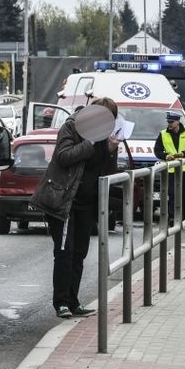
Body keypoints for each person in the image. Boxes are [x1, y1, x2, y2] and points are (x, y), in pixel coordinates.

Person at [29, 97, 121, 318]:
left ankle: (73, 301)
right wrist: (89, 143)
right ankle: (60, 301)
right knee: (64, 252)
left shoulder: (104, 136)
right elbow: (63, 157)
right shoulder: (72, 126)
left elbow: (107, 172)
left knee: (79, 252)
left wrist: (109, 149)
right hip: (65, 200)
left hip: (87, 204)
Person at [153, 110, 185, 224]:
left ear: (178, 122)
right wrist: (166, 155)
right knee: (172, 195)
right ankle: (172, 218)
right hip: (170, 170)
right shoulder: (163, 133)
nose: (169, 124)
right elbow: (157, 150)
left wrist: (184, 154)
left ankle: (184, 217)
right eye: (168, 121)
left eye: (171, 122)